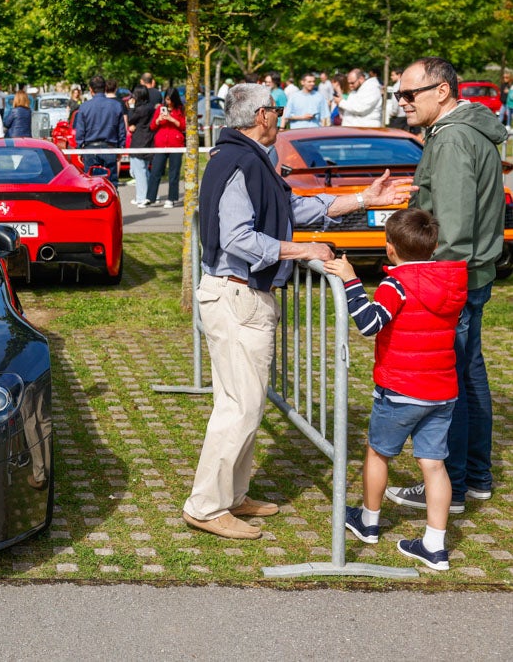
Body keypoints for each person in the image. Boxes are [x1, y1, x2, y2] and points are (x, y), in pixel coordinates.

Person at [182, 83, 408, 540]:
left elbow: (295, 208)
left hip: (242, 296)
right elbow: (237, 239)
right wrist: (300, 251)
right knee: (239, 407)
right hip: (235, 295)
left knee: (245, 403)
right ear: (261, 115)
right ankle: (206, 506)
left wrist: (364, 199)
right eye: (276, 109)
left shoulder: (247, 158)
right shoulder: (238, 161)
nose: (281, 115)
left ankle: (232, 494)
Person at [385, 57, 505, 516]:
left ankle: (451, 486)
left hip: (454, 280)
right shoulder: (460, 131)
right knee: (468, 375)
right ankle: (473, 478)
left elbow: (452, 232)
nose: (402, 102)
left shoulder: (453, 137)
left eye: (409, 94)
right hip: (471, 277)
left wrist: (431, 285)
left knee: (447, 384)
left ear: (442, 91)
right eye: (398, 94)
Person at [324, 209, 465, 571]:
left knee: (378, 452)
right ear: (433, 246)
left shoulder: (396, 284)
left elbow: (370, 324)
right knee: (433, 464)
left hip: (401, 388)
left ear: (390, 249)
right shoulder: (450, 281)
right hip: (442, 389)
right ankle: (434, 545)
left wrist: (352, 282)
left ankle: (368, 523)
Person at [74, 76, 126, 186]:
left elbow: (80, 131)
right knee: (111, 183)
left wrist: (79, 148)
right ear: (105, 87)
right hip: (110, 147)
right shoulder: (116, 105)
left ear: (91, 89)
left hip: (90, 149)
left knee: (92, 184)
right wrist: (121, 147)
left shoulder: (84, 107)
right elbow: (121, 129)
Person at [145, 87, 185, 208]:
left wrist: (171, 119)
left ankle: (171, 198)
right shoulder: (159, 109)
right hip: (161, 144)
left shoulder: (180, 110)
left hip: (176, 144)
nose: (168, 102)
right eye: (167, 99)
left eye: (170, 100)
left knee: (174, 173)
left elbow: (183, 126)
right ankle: (150, 197)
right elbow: (152, 127)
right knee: (156, 171)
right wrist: (158, 120)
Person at [126, 86, 156, 207]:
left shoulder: (140, 109)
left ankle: (142, 197)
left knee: (139, 171)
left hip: (139, 141)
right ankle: (149, 194)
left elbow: (131, 119)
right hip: (148, 139)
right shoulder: (150, 107)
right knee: (143, 170)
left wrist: (131, 107)